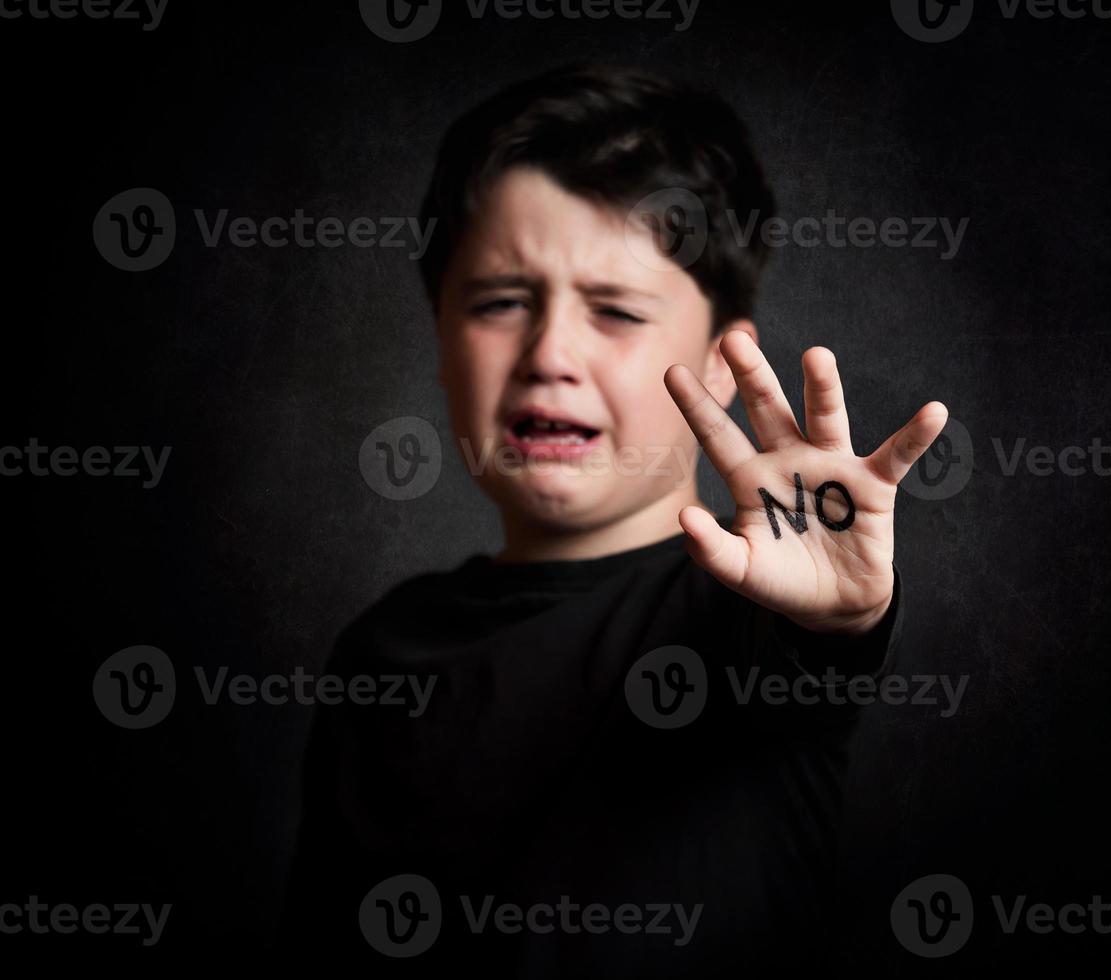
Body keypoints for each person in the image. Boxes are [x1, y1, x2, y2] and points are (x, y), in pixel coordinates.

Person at [278, 61, 947, 977]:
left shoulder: (743, 623)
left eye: (616, 310)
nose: (548, 353)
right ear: (438, 337)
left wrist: (835, 615)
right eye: (501, 302)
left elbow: (818, 649)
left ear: (724, 360)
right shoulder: (382, 652)